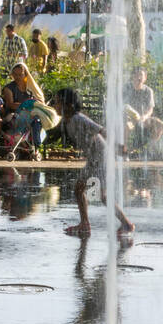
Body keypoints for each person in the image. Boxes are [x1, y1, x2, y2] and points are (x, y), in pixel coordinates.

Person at [56, 87, 134, 237]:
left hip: (102, 157)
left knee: (102, 195)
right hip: (94, 158)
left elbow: (101, 130)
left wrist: (117, 146)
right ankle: (84, 224)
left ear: (69, 106)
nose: (55, 105)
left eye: (58, 102)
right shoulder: (67, 121)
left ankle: (126, 224)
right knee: (79, 189)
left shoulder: (79, 118)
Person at [125, 67, 163, 152]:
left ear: (145, 78)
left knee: (159, 125)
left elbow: (150, 109)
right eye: (136, 75)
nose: (138, 77)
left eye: (141, 75)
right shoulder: (126, 88)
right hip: (129, 118)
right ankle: (124, 150)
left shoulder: (148, 91)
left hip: (143, 118)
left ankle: (151, 150)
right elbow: (122, 105)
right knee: (127, 126)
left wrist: (145, 116)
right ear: (132, 76)